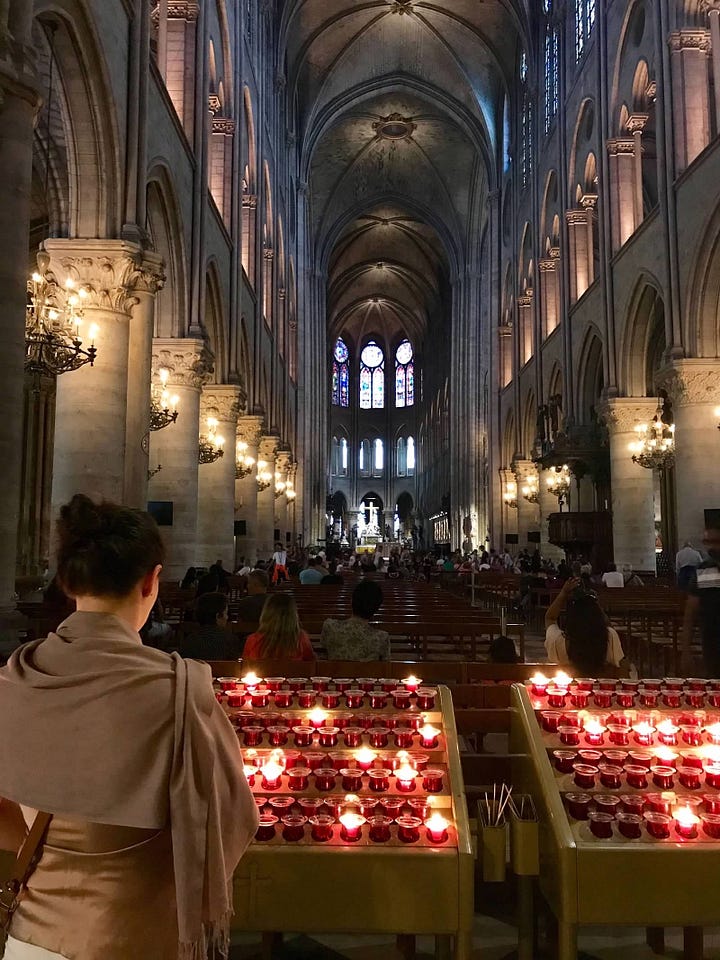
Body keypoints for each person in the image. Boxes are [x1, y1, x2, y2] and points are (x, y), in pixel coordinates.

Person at [0, 493, 257, 960]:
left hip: (29, 936)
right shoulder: (176, 690)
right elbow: (230, 820)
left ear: (65, 580)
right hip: (138, 935)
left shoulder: (11, 680)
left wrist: (64, 857)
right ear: (151, 582)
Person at [545, 577, 624, 675]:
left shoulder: (559, 642)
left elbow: (550, 618)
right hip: (601, 689)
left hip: (569, 688)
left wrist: (564, 593)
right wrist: (594, 603)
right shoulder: (610, 637)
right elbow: (608, 625)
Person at [681, 521, 720, 676]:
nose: (711, 548)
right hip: (713, 641)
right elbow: (691, 611)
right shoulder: (705, 570)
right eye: (707, 542)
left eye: (715, 542)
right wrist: (685, 650)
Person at [321, 580, 391, 661]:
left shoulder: (330, 626)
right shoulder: (382, 638)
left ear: (351, 601)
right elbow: (385, 668)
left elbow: (323, 652)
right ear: (376, 608)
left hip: (334, 672)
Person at [243, 593, 314, 660]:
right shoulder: (301, 639)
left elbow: (245, 668)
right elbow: (311, 666)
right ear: (293, 615)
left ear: (266, 614)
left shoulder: (253, 640)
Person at [179, 591, 236, 660]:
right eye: (226, 613)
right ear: (217, 616)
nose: (227, 617)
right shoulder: (230, 639)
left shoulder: (189, 640)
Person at [234, 568, 270, 634]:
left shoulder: (245, 602)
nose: (247, 586)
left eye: (249, 583)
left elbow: (239, 626)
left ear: (256, 584)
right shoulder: (273, 601)